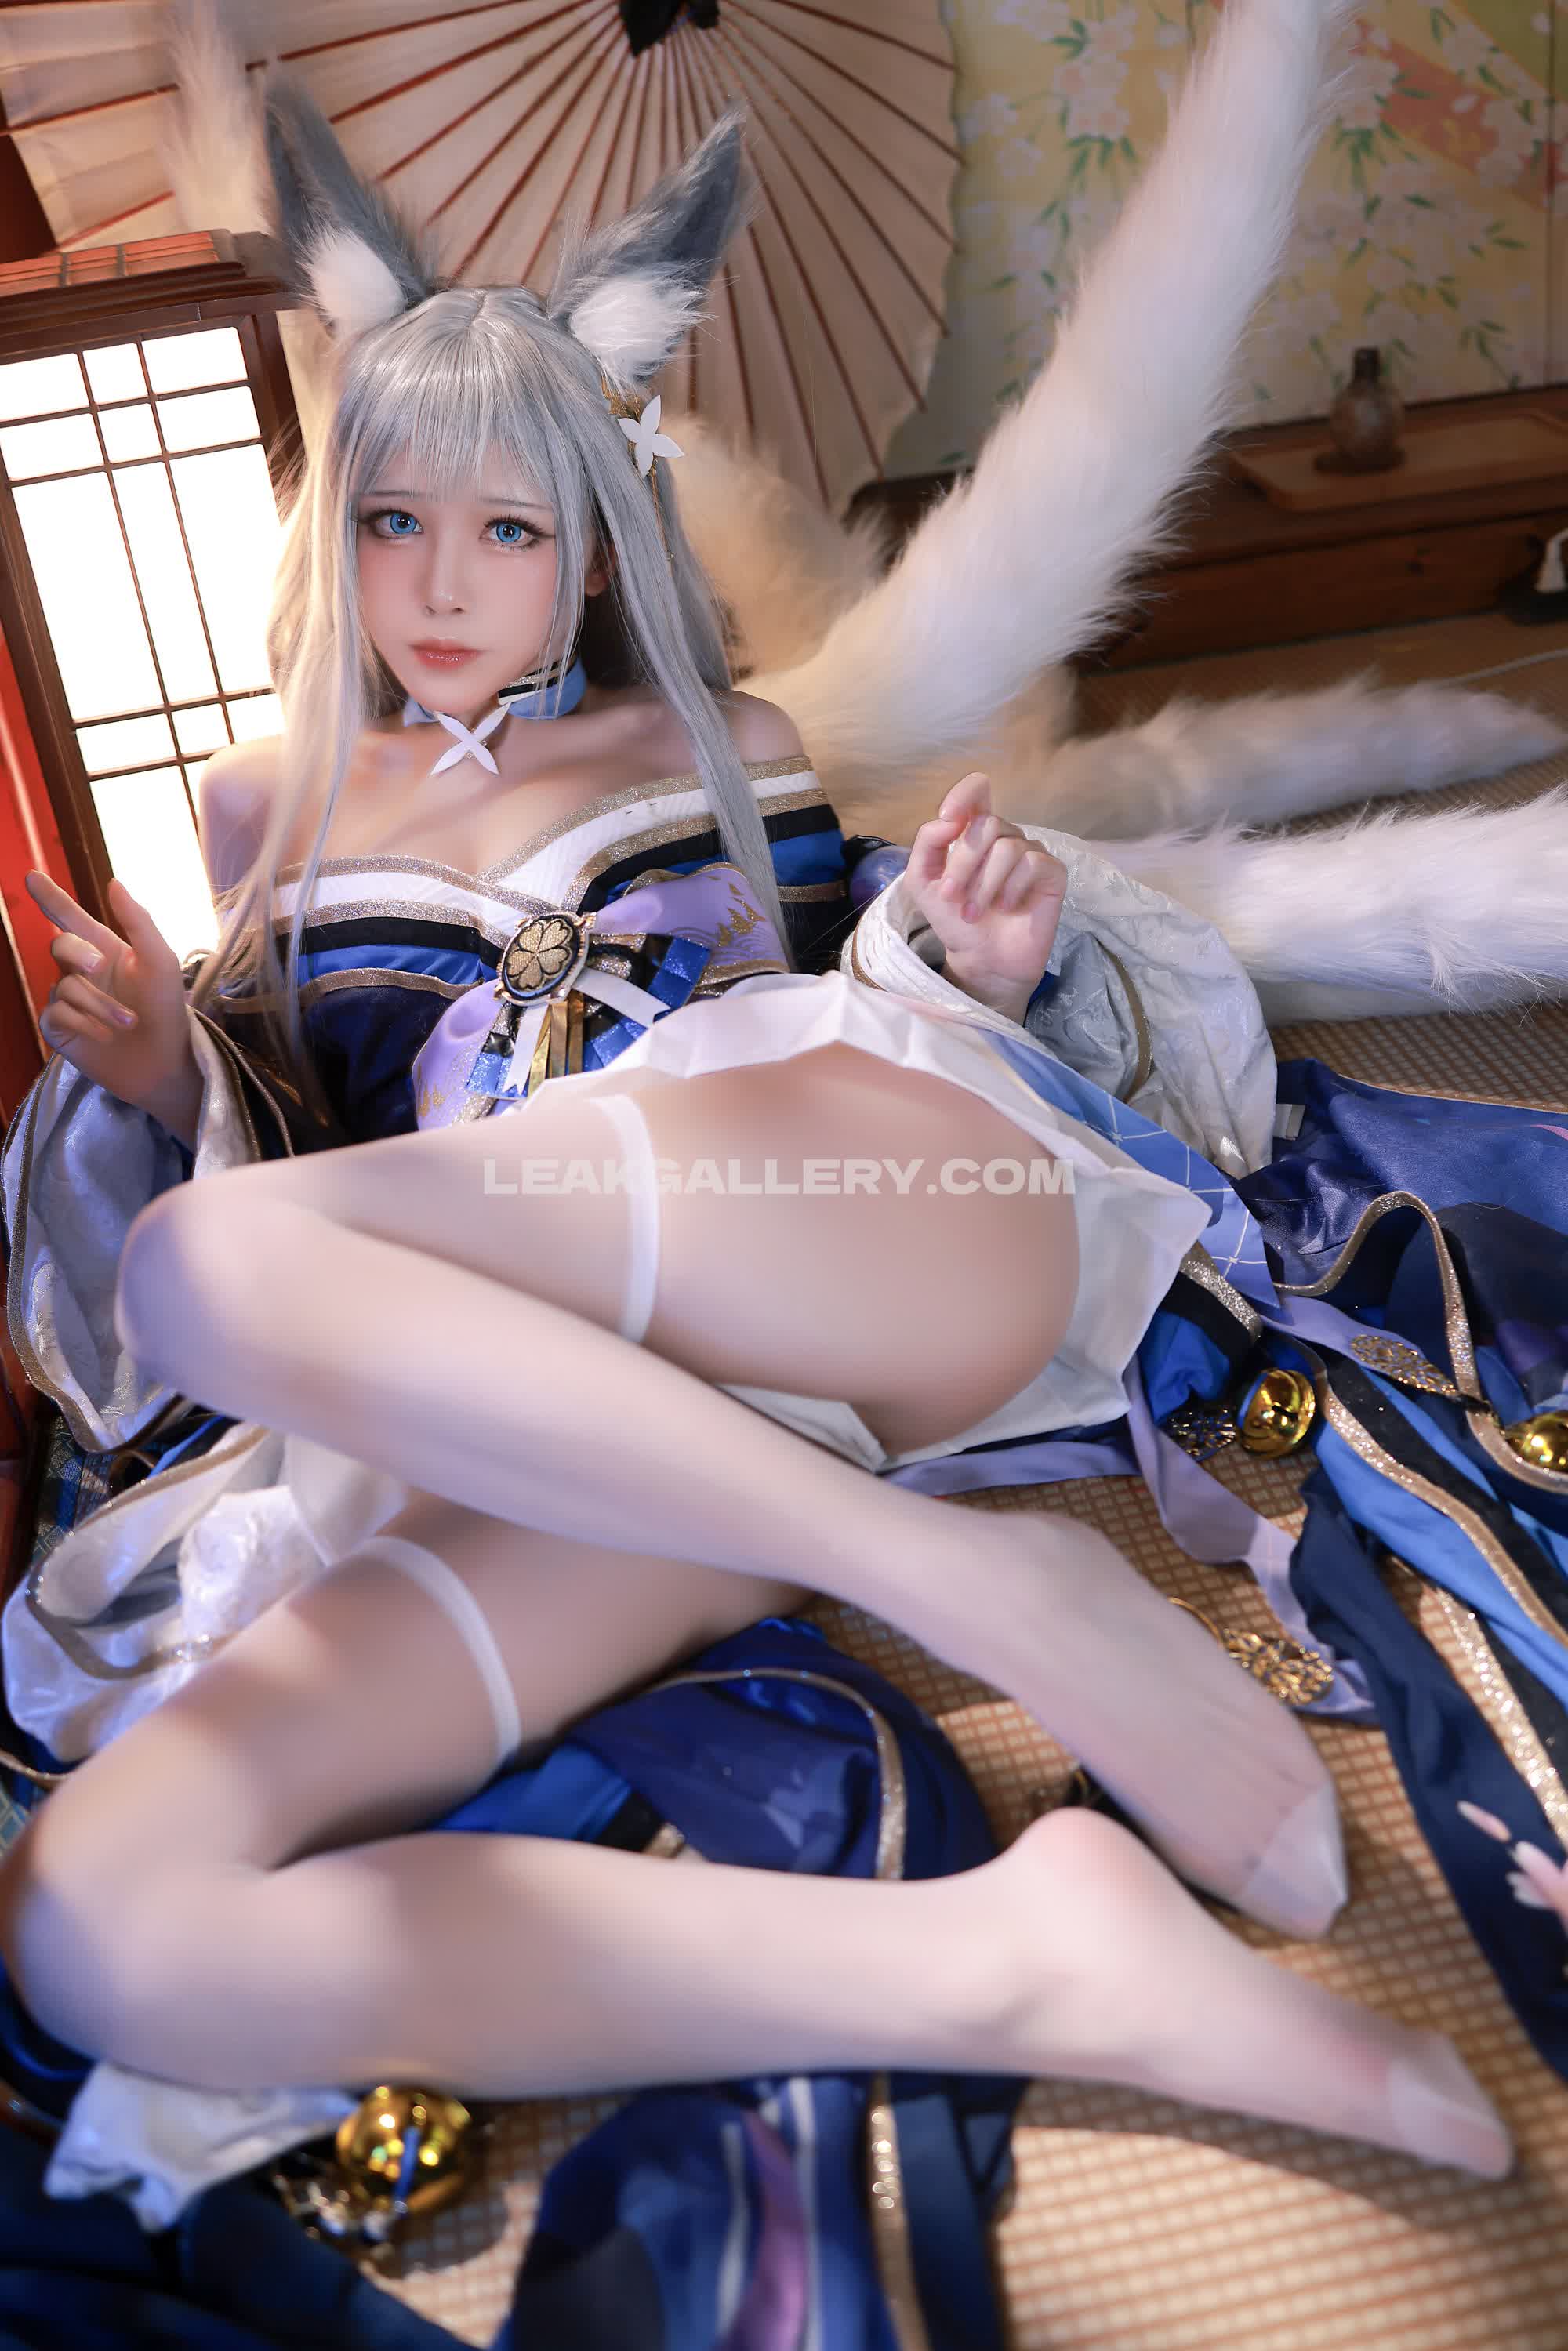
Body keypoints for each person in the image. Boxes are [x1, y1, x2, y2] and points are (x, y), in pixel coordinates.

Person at [0, 46, 1512, 2188]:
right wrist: (172, 1068)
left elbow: (820, 1011)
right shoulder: (268, 807)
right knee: (97, 1917)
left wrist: (967, 959)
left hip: (823, 1218)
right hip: (587, 1426)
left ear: (594, 536)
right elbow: (316, 1153)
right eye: (393, 519)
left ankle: (989, 1589)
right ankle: (1024, 1965)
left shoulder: (726, 740)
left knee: (205, 1261)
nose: (439, 581)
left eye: (506, 527)